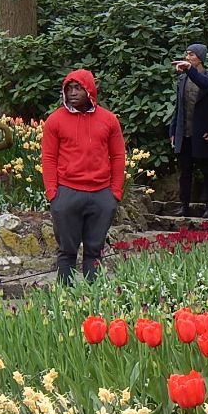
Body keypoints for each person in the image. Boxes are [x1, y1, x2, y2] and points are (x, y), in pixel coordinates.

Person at [41, 69, 126, 283]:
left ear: (89, 90)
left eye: (78, 88)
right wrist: (53, 193)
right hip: (67, 193)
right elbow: (48, 158)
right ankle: (65, 301)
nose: (73, 93)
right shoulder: (55, 120)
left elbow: (117, 156)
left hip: (101, 194)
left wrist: (114, 192)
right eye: (69, 88)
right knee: (67, 251)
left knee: (94, 251)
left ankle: (93, 299)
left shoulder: (109, 119)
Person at [169, 43, 208, 217]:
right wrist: (174, 131)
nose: (188, 57)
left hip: (203, 132)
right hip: (185, 132)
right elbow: (178, 107)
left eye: (192, 54)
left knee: (207, 171)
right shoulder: (182, 79)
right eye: (187, 54)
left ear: (200, 57)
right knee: (185, 171)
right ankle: (184, 205)